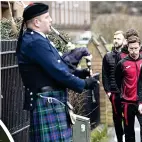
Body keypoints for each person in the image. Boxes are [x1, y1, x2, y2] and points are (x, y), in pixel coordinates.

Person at [16, 3, 98, 142]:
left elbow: (57, 65)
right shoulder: (34, 42)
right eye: (47, 17)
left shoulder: (39, 39)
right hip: (47, 102)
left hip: (51, 101)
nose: (51, 20)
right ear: (36, 22)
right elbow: (57, 71)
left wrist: (79, 73)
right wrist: (83, 84)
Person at [115, 36, 142, 142]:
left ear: (140, 47)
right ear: (128, 48)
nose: (134, 51)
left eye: (136, 48)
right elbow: (117, 81)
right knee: (129, 132)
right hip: (127, 103)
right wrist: (122, 95)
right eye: (131, 48)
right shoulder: (122, 63)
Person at [102, 30, 125, 142]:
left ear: (124, 41)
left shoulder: (127, 55)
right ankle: (119, 139)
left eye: (118, 38)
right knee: (117, 118)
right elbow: (105, 75)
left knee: (127, 118)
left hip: (126, 93)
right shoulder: (107, 56)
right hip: (114, 93)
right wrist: (108, 92)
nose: (116, 41)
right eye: (115, 38)